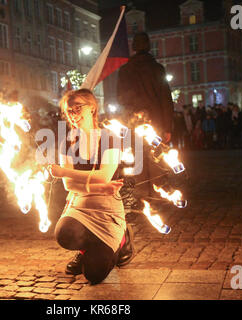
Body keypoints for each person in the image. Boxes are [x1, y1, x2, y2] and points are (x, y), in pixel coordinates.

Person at [48, 89, 134, 285]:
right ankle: (85, 250)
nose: (73, 115)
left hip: (107, 211)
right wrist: (99, 188)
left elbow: (104, 175)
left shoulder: (110, 138)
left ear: (93, 108)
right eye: (69, 110)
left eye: (78, 108)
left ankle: (121, 240)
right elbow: (69, 186)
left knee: (94, 275)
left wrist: (63, 171)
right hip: (81, 207)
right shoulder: (67, 143)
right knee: (63, 234)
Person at [117, 32, 174, 197]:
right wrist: (167, 127)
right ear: (148, 46)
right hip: (156, 122)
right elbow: (166, 99)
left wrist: (135, 108)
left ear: (133, 47)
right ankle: (158, 192)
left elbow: (121, 98)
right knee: (156, 158)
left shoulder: (126, 70)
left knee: (139, 159)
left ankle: (143, 196)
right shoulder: (157, 69)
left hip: (133, 123)